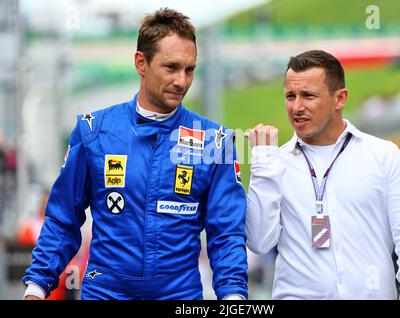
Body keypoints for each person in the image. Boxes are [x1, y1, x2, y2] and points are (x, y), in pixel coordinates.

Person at [23, 8, 248, 300]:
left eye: (189, 69)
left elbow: (227, 233)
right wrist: (36, 287)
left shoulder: (215, 141)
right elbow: (63, 218)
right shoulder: (93, 131)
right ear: (141, 63)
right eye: (171, 67)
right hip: (105, 292)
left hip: (179, 296)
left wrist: (233, 297)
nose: (182, 80)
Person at [244, 50, 400, 300]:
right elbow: (259, 242)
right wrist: (263, 165)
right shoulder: (273, 163)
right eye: (290, 96)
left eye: (308, 96)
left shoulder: (384, 155)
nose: (297, 107)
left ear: (340, 99)